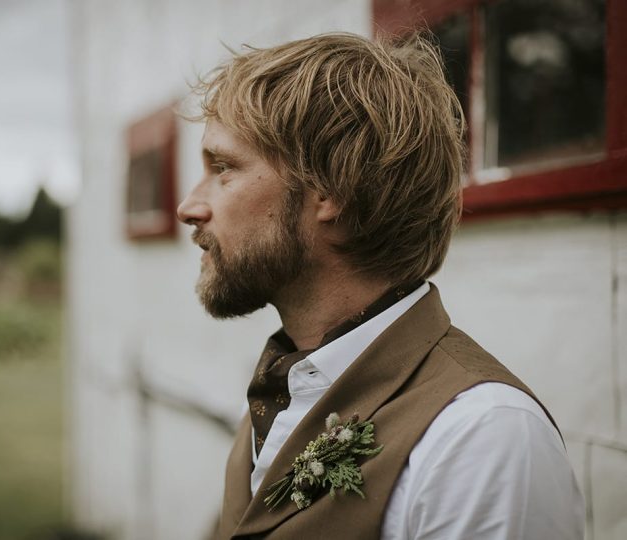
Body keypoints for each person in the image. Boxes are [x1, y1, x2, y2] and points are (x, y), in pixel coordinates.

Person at [176, 32, 584, 540]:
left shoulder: (485, 439)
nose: (190, 206)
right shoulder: (281, 390)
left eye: (223, 168)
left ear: (331, 190)